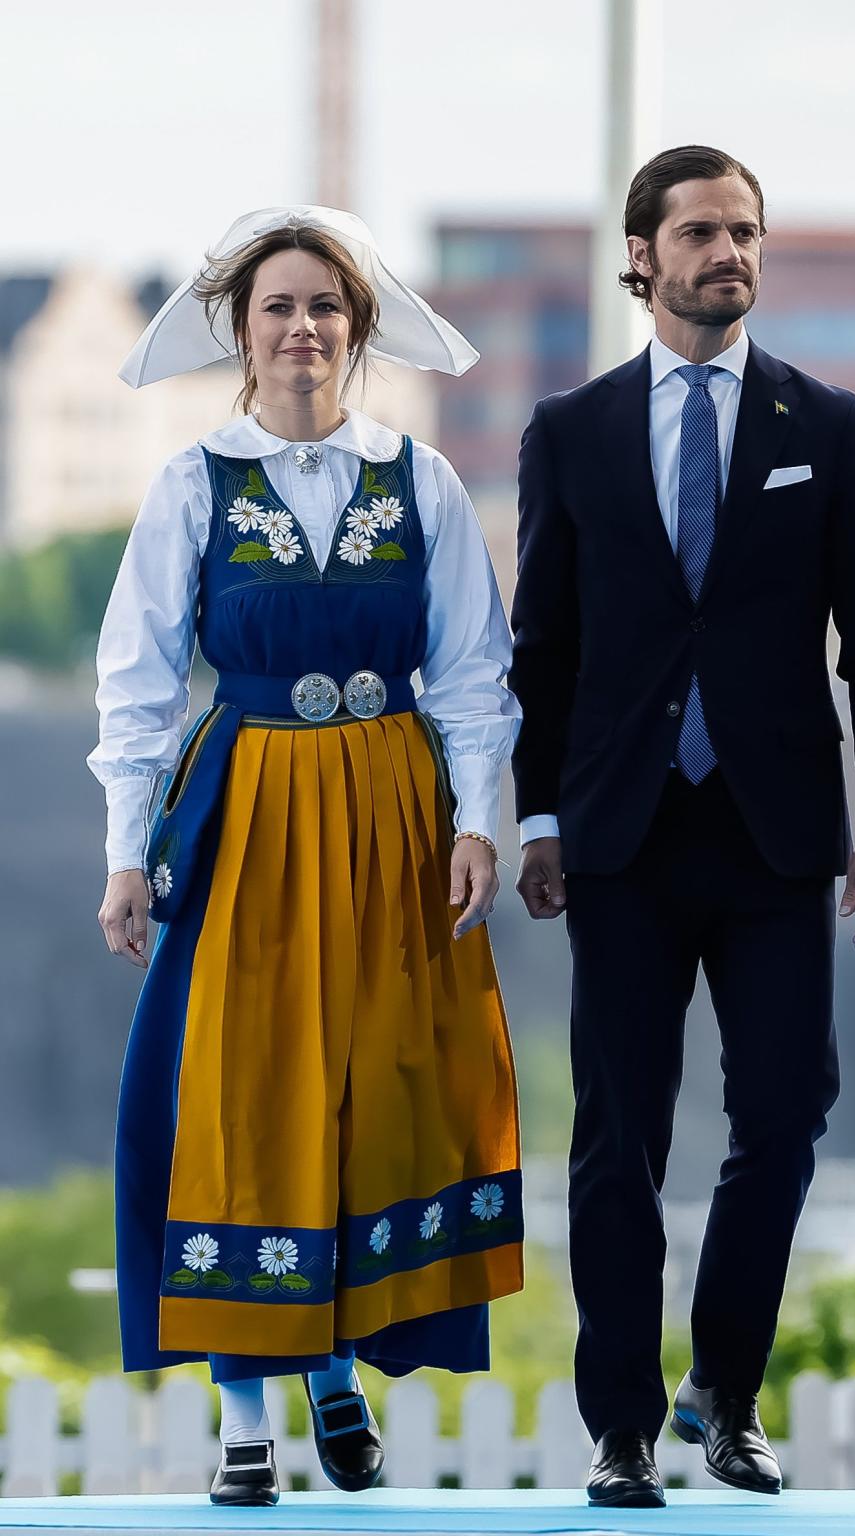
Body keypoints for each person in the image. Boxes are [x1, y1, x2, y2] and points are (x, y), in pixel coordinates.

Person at [89, 206, 523, 1506]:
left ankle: (337, 1367)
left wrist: (476, 821)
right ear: (242, 330)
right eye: (278, 307)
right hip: (250, 810)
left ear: (359, 327)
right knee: (237, 1088)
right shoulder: (192, 484)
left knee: (371, 1086)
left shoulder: (420, 479)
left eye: (325, 308)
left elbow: (471, 674)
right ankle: (242, 1410)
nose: (302, 329)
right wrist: (125, 857)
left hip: (390, 809)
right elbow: (139, 688)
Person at [509, 146, 855, 1509]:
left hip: (778, 834)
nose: (726, 252)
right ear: (642, 257)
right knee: (616, 1133)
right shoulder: (568, 432)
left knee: (787, 1115)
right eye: (698, 232)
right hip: (623, 834)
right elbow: (545, 647)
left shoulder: (834, 424)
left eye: (744, 231)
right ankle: (621, 1427)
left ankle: (722, 1398)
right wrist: (540, 817)